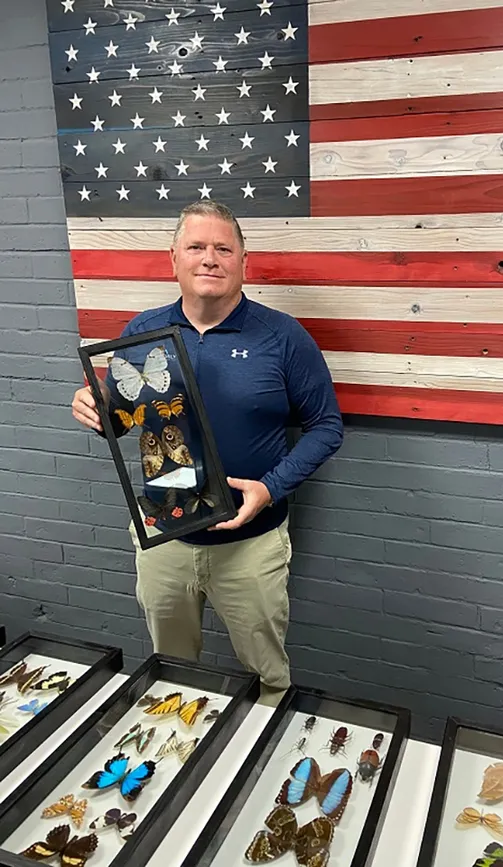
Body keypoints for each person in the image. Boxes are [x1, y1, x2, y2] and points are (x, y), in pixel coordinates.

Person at [72, 201, 344, 702]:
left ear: (244, 261)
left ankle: (260, 763)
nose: (209, 259)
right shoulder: (141, 332)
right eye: (196, 247)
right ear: (173, 259)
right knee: (169, 672)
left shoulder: (282, 337)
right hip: (164, 539)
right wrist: (96, 407)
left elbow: (327, 427)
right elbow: (124, 418)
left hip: (252, 546)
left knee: (268, 678)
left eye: (223, 248)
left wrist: (270, 488)